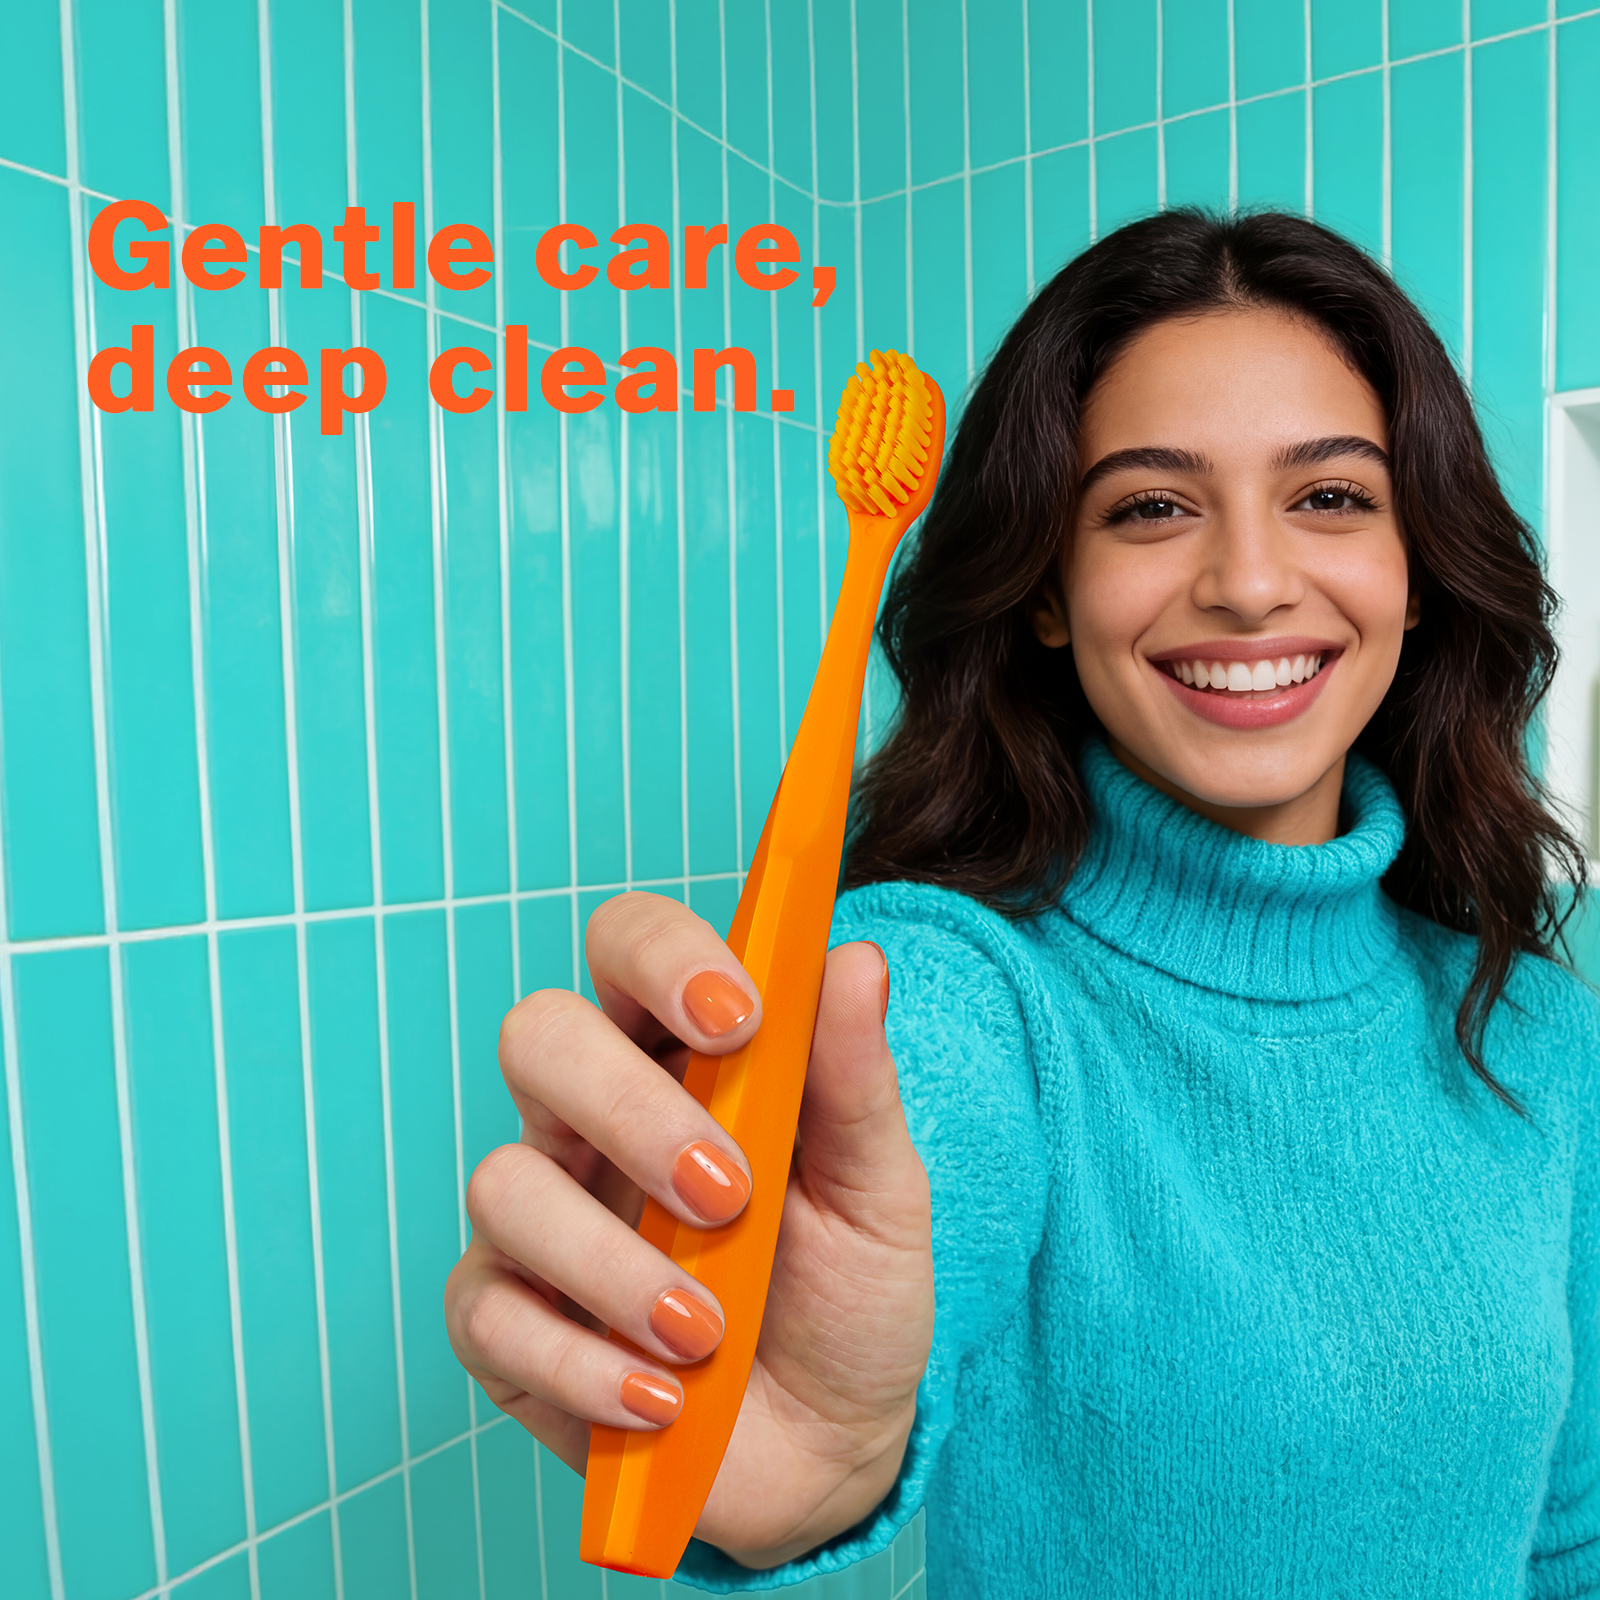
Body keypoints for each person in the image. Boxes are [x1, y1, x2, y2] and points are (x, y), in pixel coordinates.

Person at [444, 209, 1599, 1595]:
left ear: (1416, 574)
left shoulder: (1536, 1031)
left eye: (1333, 497)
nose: (1248, 583)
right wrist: (802, 1440)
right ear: (1048, 591)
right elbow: (916, 1117)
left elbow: (1569, 1530)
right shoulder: (942, 989)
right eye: (1150, 507)